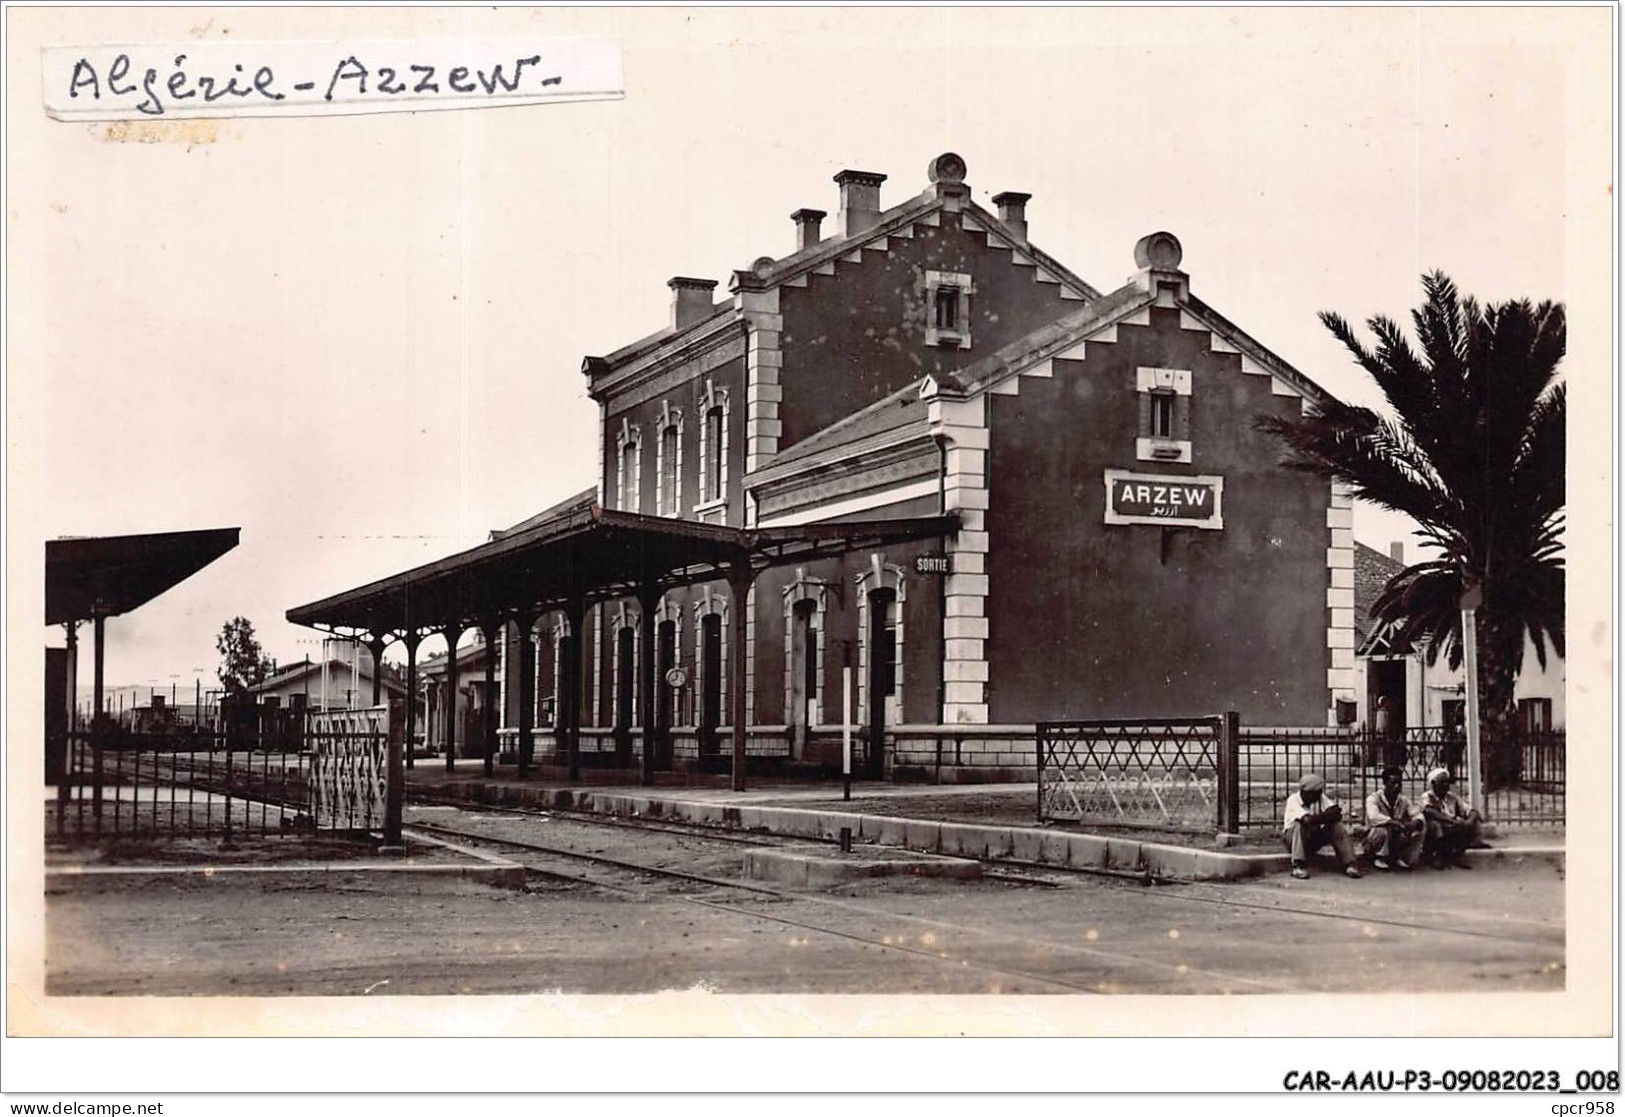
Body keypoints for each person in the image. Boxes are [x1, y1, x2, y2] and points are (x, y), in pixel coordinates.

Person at [1282, 773, 1362, 880]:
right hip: (1294, 841)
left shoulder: (1320, 798)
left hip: (1313, 838)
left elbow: (1337, 813)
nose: (1320, 794)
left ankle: (1350, 864)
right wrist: (1326, 816)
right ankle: (1298, 865)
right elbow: (1307, 820)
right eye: (1317, 792)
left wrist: (1319, 818)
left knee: (1336, 826)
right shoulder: (1293, 800)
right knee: (1299, 824)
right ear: (1308, 793)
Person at [1418, 767, 1485, 869]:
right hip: (1438, 827)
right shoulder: (1427, 796)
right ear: (1433, 783)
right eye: (1442, 782)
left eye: (1447, 782)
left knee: (1470, 824)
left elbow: (1471, 810)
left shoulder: (1452, 797)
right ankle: (1438, 856)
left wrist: (1469, 821)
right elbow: (1429, 811)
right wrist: (1450, 820)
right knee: (1435, 826)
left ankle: (1457, 855)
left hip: (1451, 826)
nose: (1446, 785)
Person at [1363, 764, 1425, 870]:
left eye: (1399, 783)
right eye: (1393, 783)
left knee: (1417, 829)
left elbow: (1415, 813)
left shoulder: (1403, 800)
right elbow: (1374, 817)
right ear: (1385, 783)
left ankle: (1399, 856)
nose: (1396, 787)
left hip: (1395, 836)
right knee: (1382, 831)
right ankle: (1380, 857)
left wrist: (1415, 821)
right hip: (1374, 839)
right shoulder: (1373, 798)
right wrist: (1393, 822)